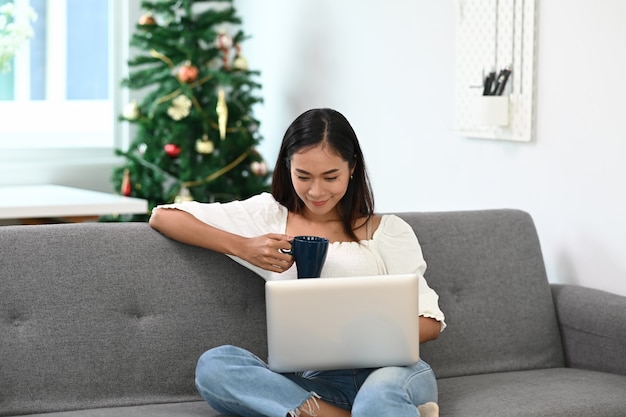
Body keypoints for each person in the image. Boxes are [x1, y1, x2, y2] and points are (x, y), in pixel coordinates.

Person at [149, 108, 446, 417]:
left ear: (352, 167)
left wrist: (351, 335)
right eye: (303, 176)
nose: (316, 192)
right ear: (287, 167)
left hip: (391, 372)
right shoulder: (269, 217)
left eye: (331, 177)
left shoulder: (387, 231)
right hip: (315, 385)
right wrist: (244, 247)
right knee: (215, 366)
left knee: (379, 396)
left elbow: (430, 323)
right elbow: (163, 216)